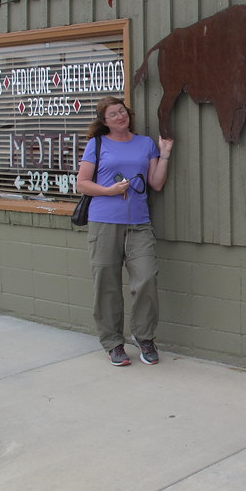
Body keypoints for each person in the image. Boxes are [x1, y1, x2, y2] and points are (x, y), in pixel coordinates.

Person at [76, 97, 174, 366]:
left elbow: (155, 183)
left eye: (122, 111)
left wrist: (164, 154)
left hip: (139, 223)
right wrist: (109, 191)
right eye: (113, 114)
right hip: (104, 222)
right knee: (106, 284)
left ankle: (144, 337)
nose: (120, 117)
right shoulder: (97, 144)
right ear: (104, 121)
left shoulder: (145, 144)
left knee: (146, 278)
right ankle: (113, 343)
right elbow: (82, 184)